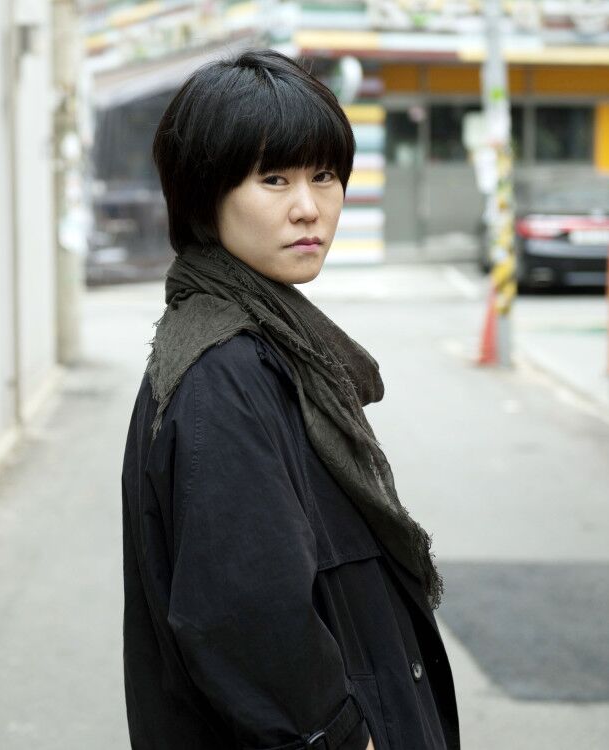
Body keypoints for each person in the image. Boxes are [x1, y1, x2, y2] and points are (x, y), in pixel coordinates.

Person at [121, 49, 460, 749]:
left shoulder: (274, 344)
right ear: (205, 195)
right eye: (273, 178)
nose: (308, 207)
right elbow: (246, 624)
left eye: (323, 176)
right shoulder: (224, 373)